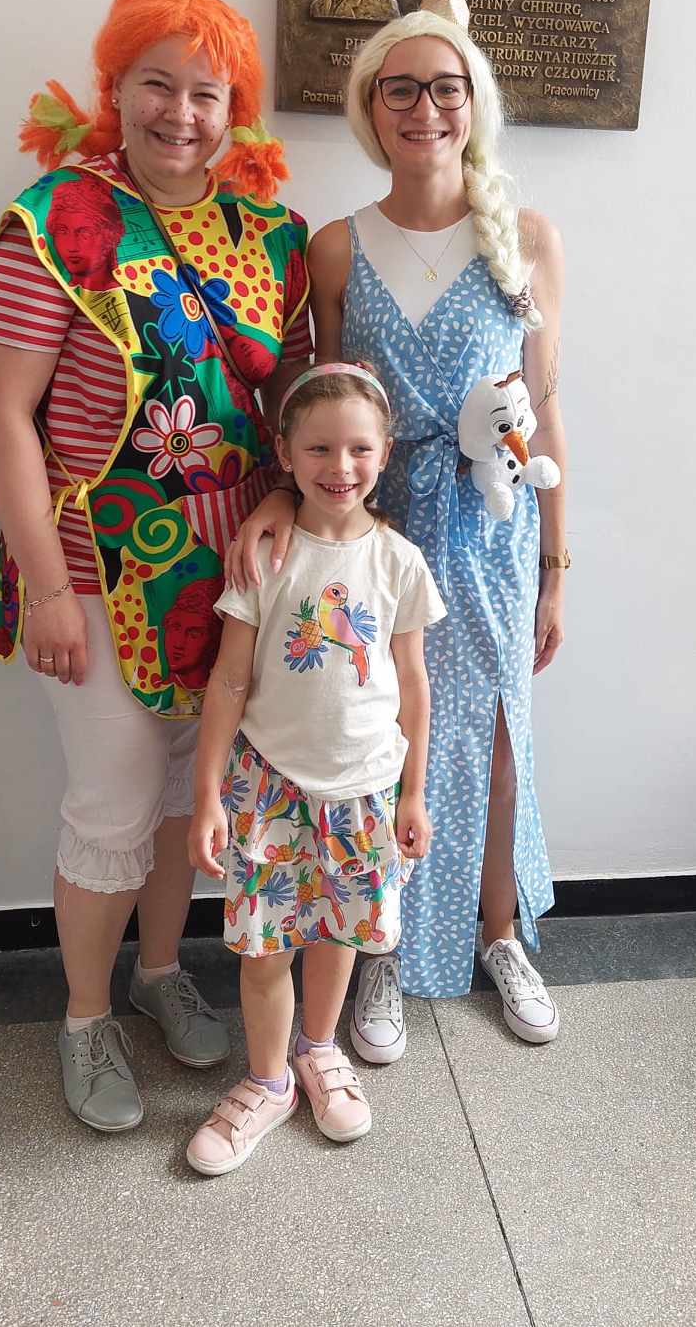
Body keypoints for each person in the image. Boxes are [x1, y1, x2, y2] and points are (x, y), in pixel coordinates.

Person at [0, 0, 312, 1133]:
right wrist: (48, 588)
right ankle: (84, 1018)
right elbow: (1, 416)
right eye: (156, 85)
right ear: (113, 89)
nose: (181, 113)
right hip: (97, 567)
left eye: (206, 94)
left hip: (231, 577)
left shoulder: (270, 230)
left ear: (233, 109)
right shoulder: (53, 222)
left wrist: (285, 505)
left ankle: (161, 975)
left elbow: (292, 397)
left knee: (182, 794)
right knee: (112, 802)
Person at [227, 0, 567, 1057]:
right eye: (401, 89)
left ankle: (496, 935)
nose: (425, 109)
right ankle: (379, 948)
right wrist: (283, 493)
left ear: (476, 103)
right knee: (379, 738)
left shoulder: (528, 239)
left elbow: (544, 409)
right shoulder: (334, 246)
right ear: (370, 107)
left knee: (497, 740)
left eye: (446, 87)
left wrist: (556, 564)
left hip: (491, 527)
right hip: (372, 528)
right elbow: (318, 402)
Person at [185, 364, 445, 1175]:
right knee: (265, 949)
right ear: (285, 455)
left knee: (339, 933)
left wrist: (414, 792)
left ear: (384, 452)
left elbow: (413, 684)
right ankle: (267, 1082)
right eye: (320, 448)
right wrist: (206, 795)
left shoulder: (399, 561)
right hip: (268, 789)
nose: (341, 466)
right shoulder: (267, 556)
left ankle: (318, 1050)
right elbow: (229, 681)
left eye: (359, 449)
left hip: (366, 792)